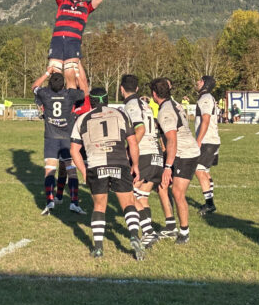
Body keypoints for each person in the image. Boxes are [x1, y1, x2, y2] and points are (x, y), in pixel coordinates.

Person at [70, 87, 144, 260]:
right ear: (107, 100)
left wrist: (84, 171)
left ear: (92, 102)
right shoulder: (120, 114)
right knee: (127, 203)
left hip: (96, 165)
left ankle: (98, 248)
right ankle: (134, 235)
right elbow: (133, 143)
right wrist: (136, 165)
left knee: (99, 206)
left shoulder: (82, 118)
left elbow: (74, 150)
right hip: (119, 162)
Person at [151, 78, 200, 244]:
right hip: (180, 151)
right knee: (161, 186)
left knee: (178, 193)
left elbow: (172, 140)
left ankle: (184, 232)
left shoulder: (165, 110)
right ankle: (170, 226)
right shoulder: (174, 104)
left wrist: (167, 167)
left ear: (154, 94)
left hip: (185, 153)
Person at [33, 69, 88, 215]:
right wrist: (76, 73)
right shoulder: (69, 94)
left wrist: (46, 72)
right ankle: (74, 202)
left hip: (51, 138)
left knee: (50, 169)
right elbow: (84, 92)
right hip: (66, 138)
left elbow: (34, 86)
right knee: (71, 170)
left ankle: (50, 201)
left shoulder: (45, 93)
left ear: (50, 84)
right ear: (63, 85)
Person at [120, 75, 162, 247]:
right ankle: (147, 233)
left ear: (121, 89)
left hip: (143, 154)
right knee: (142, 198)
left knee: (128, 195)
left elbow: (140, 129)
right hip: (156, 155)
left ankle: (148, 231)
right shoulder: (146, 104)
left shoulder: (131, 105)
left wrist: (130, 150)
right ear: (137, 89)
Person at [48, 0, 103, 90]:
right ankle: (54, 101)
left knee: (70, 74)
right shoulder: (63, 2)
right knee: (54, 74)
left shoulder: (86, 6)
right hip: (57, 40)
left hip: (73, 41)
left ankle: (70, 106)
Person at [194, 76, 220, 215]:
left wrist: (198, 140)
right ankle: (209, 201)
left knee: (199, 170)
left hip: (207, 141)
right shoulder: (208, 97)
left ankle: (209, 204)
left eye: (199, 81)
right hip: (212, 140)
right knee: (206, 171)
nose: (196, 83)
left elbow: (206, 119)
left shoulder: (205, 97)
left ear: (204, 83)